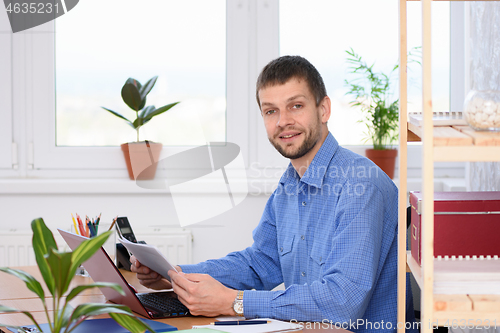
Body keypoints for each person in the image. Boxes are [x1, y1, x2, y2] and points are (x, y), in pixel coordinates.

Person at [131, 55, 417, 332]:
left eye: (295, 106)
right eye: (271, 111)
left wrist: (235, 303)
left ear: (324, 109)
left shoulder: (360, 185)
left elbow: (341, 303)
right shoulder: (289, 184)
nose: (283, 121)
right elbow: (259, 264)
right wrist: (175, 275)